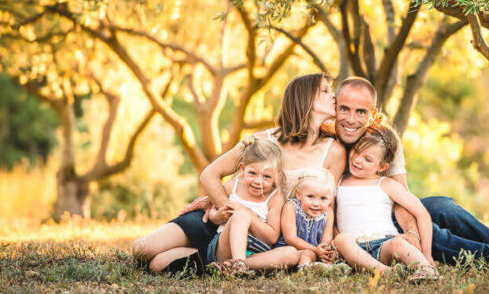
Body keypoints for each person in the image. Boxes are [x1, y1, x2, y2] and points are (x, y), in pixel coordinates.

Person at [132, 73, 346, 275]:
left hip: (261, 236)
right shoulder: (263, 140)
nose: (334, 96)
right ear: (305, 99)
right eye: (326, 91)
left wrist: (331, 245)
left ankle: (211, 261)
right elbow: (210, 174)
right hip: (219, 221)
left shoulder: (334, 151)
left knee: (157, 264)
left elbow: (329, 206)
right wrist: (227, 210)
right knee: (142, 251)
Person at [330, 76, 489, 267]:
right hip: (357, 226)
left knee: (442, 206)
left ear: (372, 114)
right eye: (344, 109)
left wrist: (413, 233)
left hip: (385, 210)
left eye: (360, 112)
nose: (351, 119)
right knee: (437, 234)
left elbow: (402, 196)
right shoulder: (328, 142)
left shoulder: (384, 140)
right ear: (335, 107)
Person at [332, 125, 438, 281]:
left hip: (384, 244)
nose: (357, 160)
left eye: (367, 159)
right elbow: (332, 218)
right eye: (356, 151)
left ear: (382, 167)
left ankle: (425, 268)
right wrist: (334, 241)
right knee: (341, 240)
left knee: (398, 244)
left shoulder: (386, 184)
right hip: (353, 248)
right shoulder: (339, 182)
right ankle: (385, 272)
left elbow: (421, 213)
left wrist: (427, 254)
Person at [206, 138, 297, 275]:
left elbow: (272, 237)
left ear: (277, 177)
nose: (258, 182)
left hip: (257, 252)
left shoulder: (275, 197)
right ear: (243, 169)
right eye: (252, 173)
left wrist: (247, 213)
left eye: (266, 177)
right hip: (225, 247)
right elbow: (212, 213)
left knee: (292, 253)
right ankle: (238, 263)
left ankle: (235, 266)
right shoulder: (233, 186)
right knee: (241, 217)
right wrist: (217, 216)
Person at [275, 168, 338, 270]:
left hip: (313, 253)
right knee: (306, 253)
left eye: (323, 198)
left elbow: (326, 240)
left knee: (310, 254)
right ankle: (304, 269)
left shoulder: (328, 213)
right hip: (288, 252)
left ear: (331, 199)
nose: (316, 203)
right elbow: (290, 238)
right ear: (298, 194)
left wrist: (325, 253)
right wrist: (315, 249)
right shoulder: (291, 207)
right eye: (310, 196)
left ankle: (310, 269)